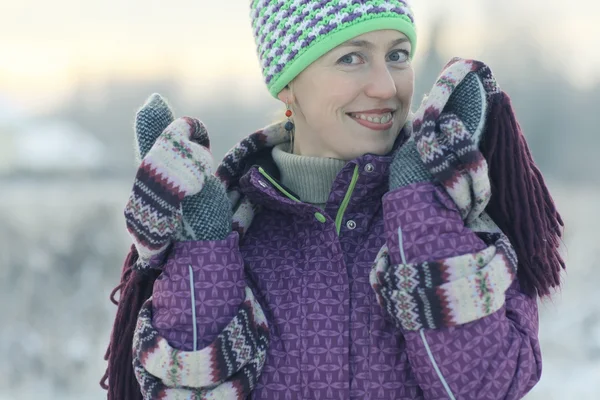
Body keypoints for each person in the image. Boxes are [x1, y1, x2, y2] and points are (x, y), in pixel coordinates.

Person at [101, 1, 565, 399]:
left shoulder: (457, 219)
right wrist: (203, 250)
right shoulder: (238, 233)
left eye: (397, 55)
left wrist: (422, 210)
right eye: (351, 58)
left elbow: (485, 388)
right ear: (287, 83)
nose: (387, 86)